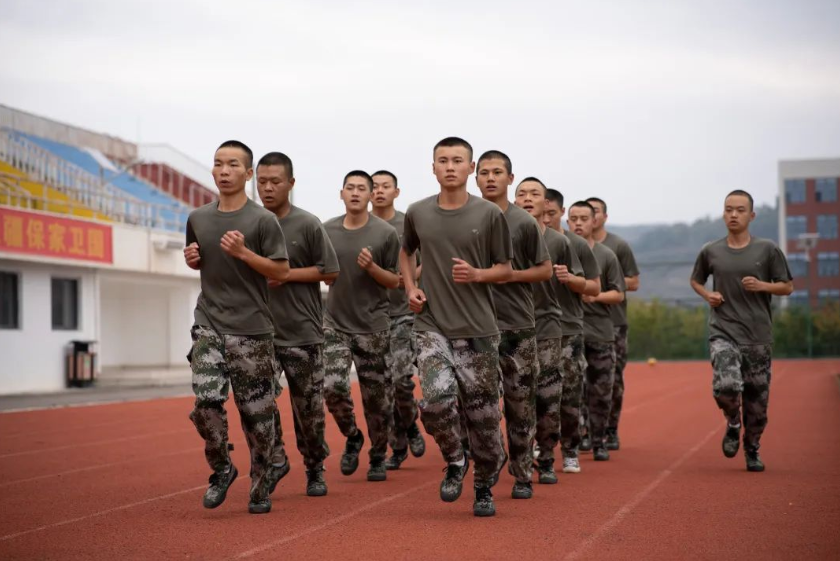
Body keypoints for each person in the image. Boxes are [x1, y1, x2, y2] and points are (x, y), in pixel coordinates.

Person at [400, 137, 512, 517]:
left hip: (478, 329)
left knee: (484, 418)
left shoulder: (489, 214)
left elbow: (505, 268)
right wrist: (411, 288)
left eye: (458, 160)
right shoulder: (417, 212)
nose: (450, 167)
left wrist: (478, 274)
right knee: (436, 400)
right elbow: (406, 251)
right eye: (443, 160)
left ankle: (484, 484)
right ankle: (455, 459)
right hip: (431, 324)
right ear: (433, 167)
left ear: (470, 167)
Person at [184, 140, 290, 514]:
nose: (224, 170)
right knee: (206, 403)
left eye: (232, 164)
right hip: (209, 323)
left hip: (251, 330)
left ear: (247, 174)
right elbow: (201, 261)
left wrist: (244, 253)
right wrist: (193, 260)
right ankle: (222, 468)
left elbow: (281, 271)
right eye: (218, 163)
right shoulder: (198, 218)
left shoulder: (263, 221)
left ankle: (260, 485)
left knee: (257, 417)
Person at [690, 190, 792, 472]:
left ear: (752, 215)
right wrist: (708, 295)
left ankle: (752, 448)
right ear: (723, 214)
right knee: (726, 385)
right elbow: (696, 280)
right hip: (723, 330)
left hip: (758, 336)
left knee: (757, 403)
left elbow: (787, 286)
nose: (733, 215)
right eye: (728, 209)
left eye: (740, 210)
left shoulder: (768, 249)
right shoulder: (711, 250)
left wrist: (762, 286)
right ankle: (733, 422)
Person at [256, 152, 339, 497]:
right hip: (258, 332)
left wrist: (286, 274)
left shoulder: (307, 224)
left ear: (290, 183)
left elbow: (330, 272)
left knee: (308, 411)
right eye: (261, 182)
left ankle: (315, 465)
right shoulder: (249, 223)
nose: (267, 188)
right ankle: (273, 460)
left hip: (302, 332)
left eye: (275, 182)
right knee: (258, 403)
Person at [475, 152, 551, 500]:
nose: (490, 178)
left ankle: (522, 474)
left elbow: (544, 270)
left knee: (520, 406)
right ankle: (488, 469)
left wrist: (508, 275)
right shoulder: (468, 218)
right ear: (476, 178)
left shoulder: (523, 222)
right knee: (481, 408)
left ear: (510, 178)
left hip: (517, 326)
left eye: (497, 172)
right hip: (475, 326)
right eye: (484, 172)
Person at [323, 170, 401, 482]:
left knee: (377, 401)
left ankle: (378, 455)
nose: (355, 193)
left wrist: (371, 268)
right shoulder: (326, 230)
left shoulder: (385, 233)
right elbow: (322, 272)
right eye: (350, 188)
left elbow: (394, 280)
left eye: (361, 188)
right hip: (335, 325)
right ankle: (353, 436)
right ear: (341, 193)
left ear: (370, 195)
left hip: (373, 327)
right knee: (332, 387)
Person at [514, 178, 586, 483]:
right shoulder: (503, 236)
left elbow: (584, 283)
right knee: (519, 398)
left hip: (549, 327)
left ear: (546, 204)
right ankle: (520, 456)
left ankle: (546, 457)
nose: (527, 198)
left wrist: (570, 278)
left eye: (535, 194)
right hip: (512, 327)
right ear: (514, 201)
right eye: (522, 193)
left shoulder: (560, 242)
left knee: (548, 396)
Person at [371, 170, 426, 469]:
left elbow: (426, 260)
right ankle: (400, 442)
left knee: (401, 380)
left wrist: (407, 279)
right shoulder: (361, 224)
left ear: (396, 191)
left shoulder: (408, 223)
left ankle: (411, 422)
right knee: (382, 388)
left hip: (404, 314)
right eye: (374, 186)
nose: (379, 191)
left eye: (385, 186)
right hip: (371, 317)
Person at [545, 189, 601, 470]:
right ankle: (541, 445)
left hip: (568, 328)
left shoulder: (575, 244)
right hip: (533, 329)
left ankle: (570, 449)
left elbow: (594, 287)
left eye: (551, 213)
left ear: (561, 213)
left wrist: (570, 279)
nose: (546, 218)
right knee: (537, 393)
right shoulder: (523, 238)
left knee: (568, 392)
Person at [567, 201, 624, 462]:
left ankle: (600, 439)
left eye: (583, 219)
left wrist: (595, 295)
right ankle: (580, 436)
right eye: (574, 219)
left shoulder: (607, 255)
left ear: (594, 222)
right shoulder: (561, 250)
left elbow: (619, 294)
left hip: (601, 333)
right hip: (571, 333)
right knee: (574, 390)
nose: (578, 223)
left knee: (601, 391)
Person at [588, 197, 641, 451]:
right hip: (582, 322)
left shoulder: (617, 246)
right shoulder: (574, 245)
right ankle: (587, 430)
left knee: (612, 379)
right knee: (582, 380)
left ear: (604, 217)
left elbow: (634, 282)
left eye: (596, 212)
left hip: (614, 322)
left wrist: (607, 282)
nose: (592, 217)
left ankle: (610, 429)